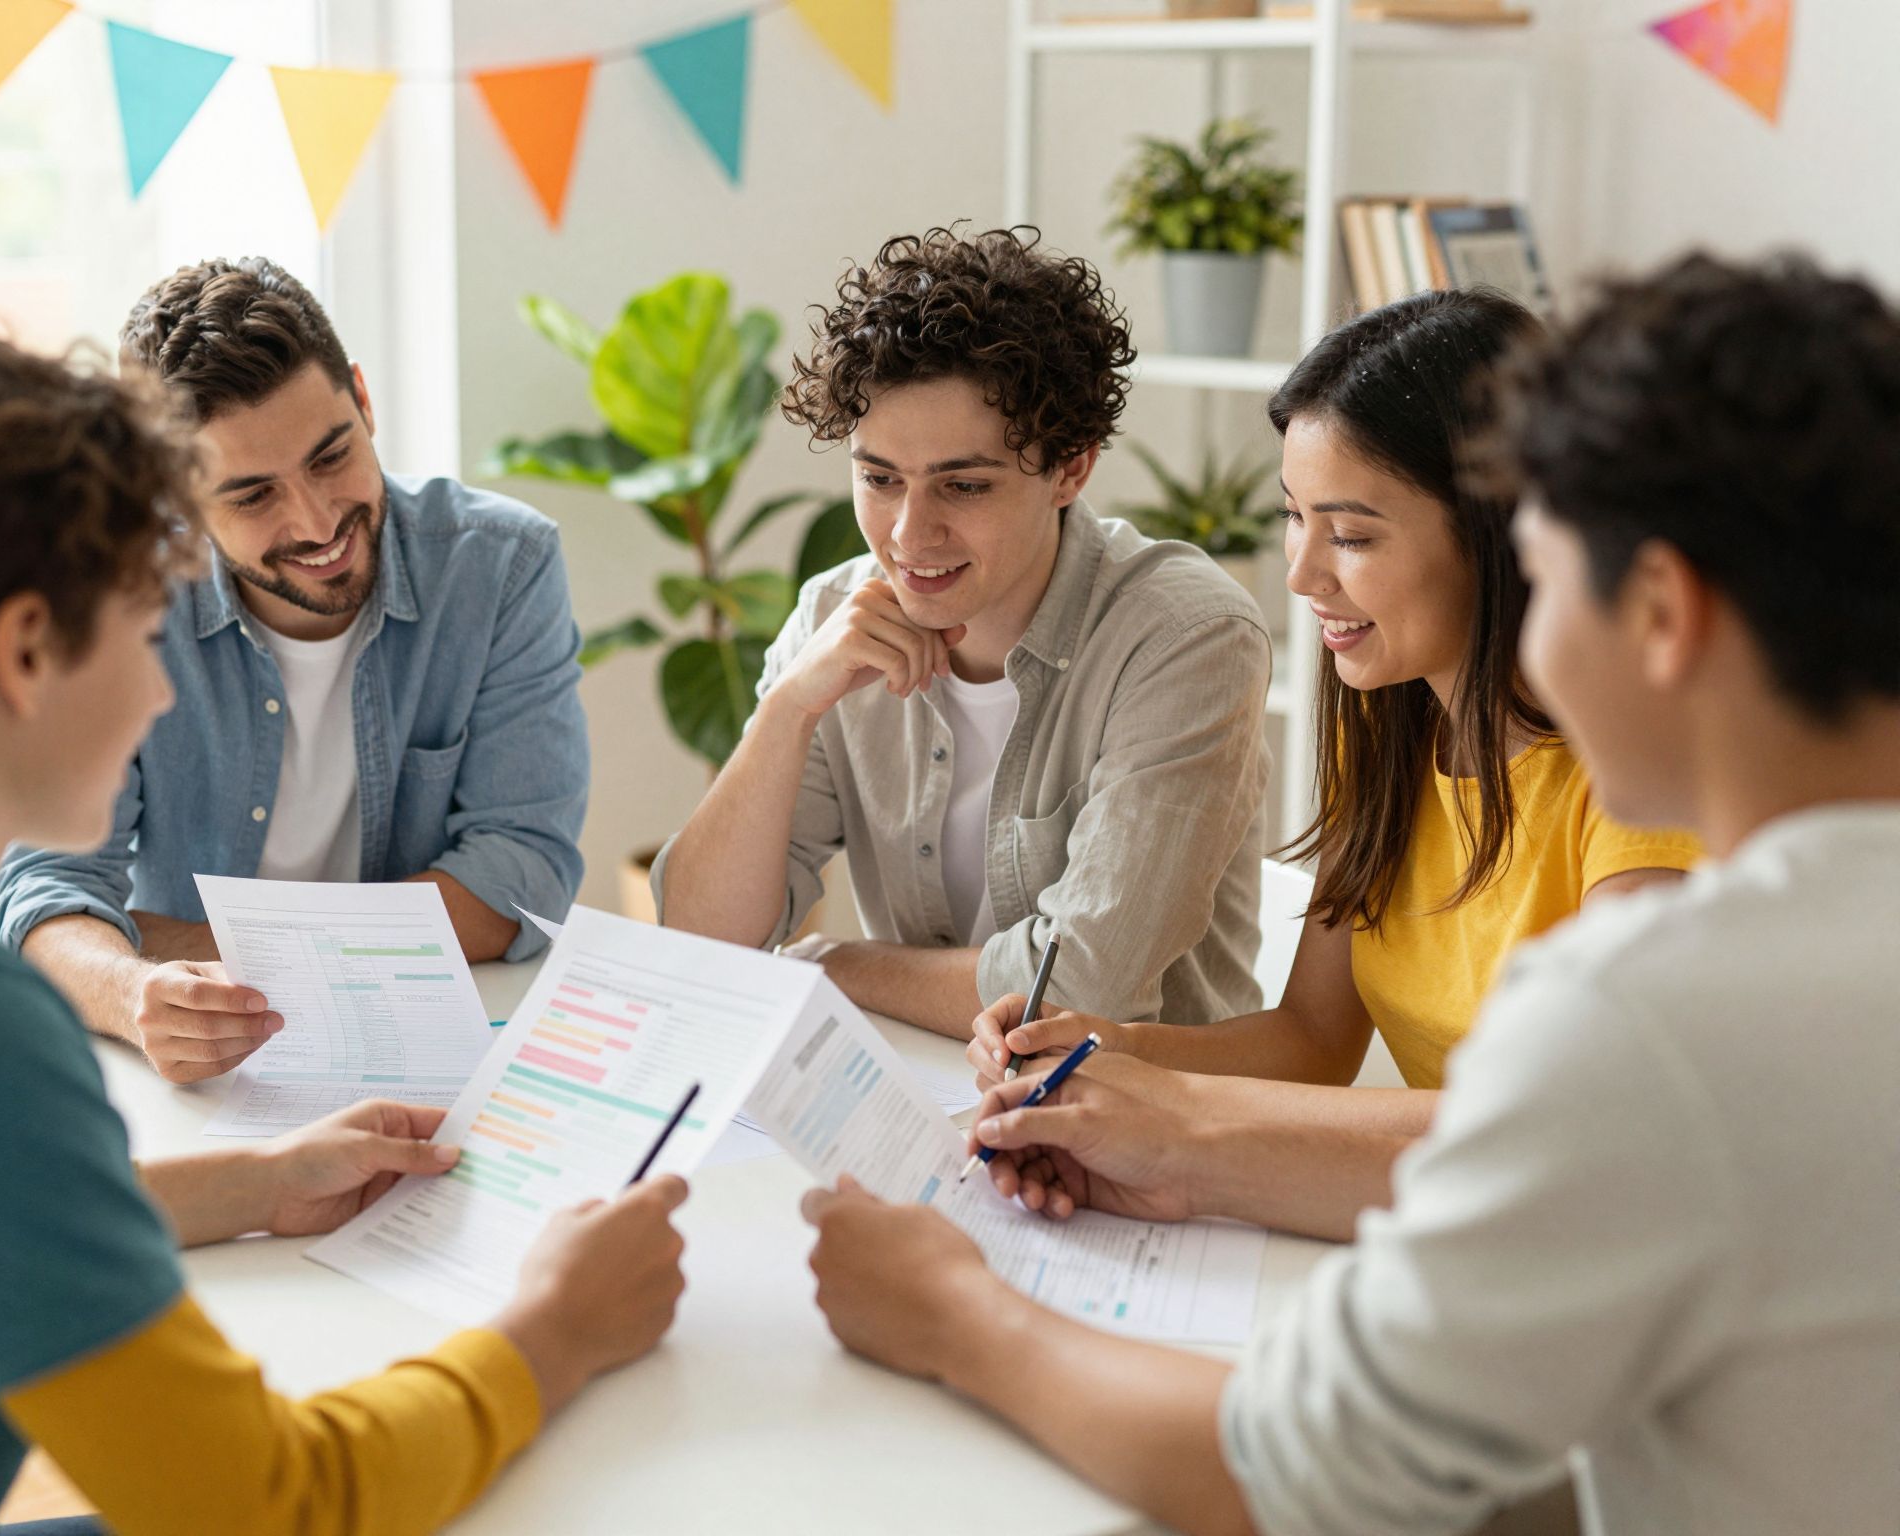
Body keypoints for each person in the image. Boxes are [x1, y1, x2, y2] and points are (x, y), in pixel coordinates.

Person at [804, 253, 1900, 1535]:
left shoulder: (1653, 1004)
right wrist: (1161, 1130)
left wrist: (951, 1314)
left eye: (1547, 578)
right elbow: (1341, 1054)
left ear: (1655, 609)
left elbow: (1294, 1472)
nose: (1305, 576)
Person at [0, 336, 686, 1536]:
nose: (156, 693)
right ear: (26, 650)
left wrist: (253, 1182)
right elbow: (272, 1505)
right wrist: (554, 1327)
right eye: (143, 633)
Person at [968, 288, 1697, 1239]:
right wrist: (1096, 1055)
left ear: (1503, 535)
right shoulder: (1389, 725)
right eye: (1293, 518)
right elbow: (1311, 1039)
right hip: (1461, 1226)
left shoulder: (1642, 779)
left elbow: (1562, 1124)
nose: (1303, 573)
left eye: (1350, 535)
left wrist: (1175, 1128)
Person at [655, 227, 1272, 1037]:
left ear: (1072, 468)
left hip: (1134, 1134)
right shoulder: (833, 613)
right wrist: (789, 709)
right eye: (879, 479)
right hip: (923, 1107)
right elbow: (701, 942)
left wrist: (830, 964)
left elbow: (1081, 991)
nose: (910, 535)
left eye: (964, 486)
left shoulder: (1185, 636)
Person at [0, 256, 591, 1084]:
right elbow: (44, 894)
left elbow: (520, 879)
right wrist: (132, 987)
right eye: (251, 497)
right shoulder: (108, 599)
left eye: (330, 455)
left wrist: (165, 936)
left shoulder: (502, 566)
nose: (316, 521)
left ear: (363, 399)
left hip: (438, 1043)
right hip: (205, 1066)